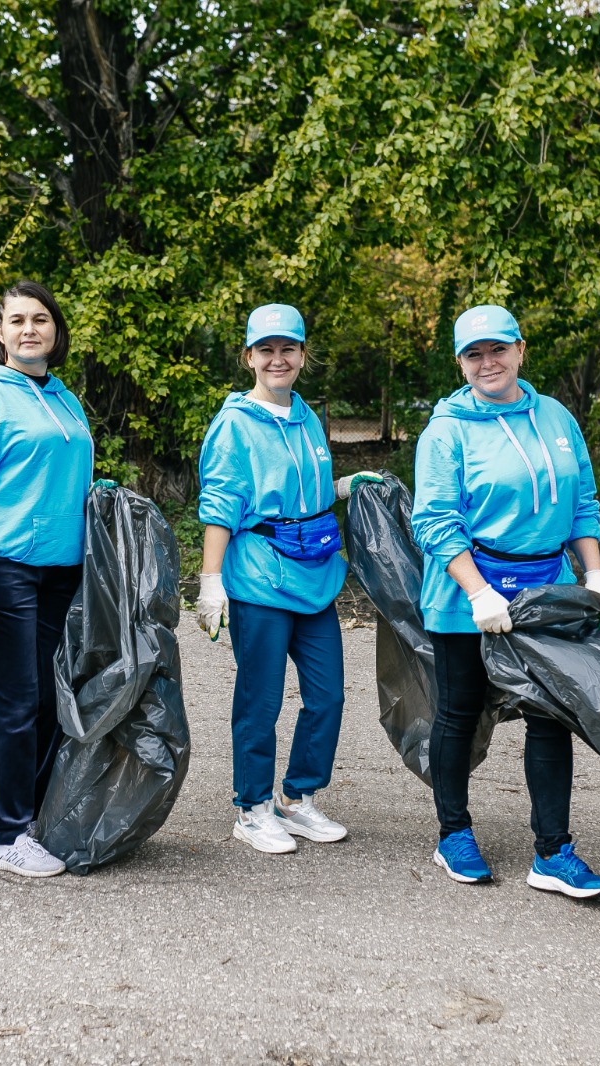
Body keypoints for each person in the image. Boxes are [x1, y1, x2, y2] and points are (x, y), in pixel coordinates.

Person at [409, 304, 600, 897]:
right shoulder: (446, 430)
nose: (487, 363)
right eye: (474, 354)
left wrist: (594, 574)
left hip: (544, 590)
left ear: (521, 349)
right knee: (459, 710)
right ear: (459, 363)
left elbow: (582, 502)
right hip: (466, 591)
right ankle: (453, 834)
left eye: (497, 349)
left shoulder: (555, 417)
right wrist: (477, 592)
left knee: (550, 717)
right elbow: (435, 521)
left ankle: (553, 852)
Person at [0, 280, 105, 878]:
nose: (30, 328)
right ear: (0, 332)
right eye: (17, 320)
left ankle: (33, 819)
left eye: (41, 319)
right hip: (6, 568)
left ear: (56, 333)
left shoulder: (65, 399)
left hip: (64, 570)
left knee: (51, 698)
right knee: (12, 702)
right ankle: (4, 837)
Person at [196, 303, 382, 854]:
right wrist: (212, 582)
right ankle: (252, 808)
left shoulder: (304, 415)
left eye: (288, 349)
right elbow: (221, 507)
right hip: (259, 580)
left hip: (314, 576)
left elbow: (306, 490)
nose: (278, 359)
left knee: (326, 697)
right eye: (266, 350)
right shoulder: (234, 423)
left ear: (303, 355)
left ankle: (296, 800)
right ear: (249, 357)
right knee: (262, 699)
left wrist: (344, 488)